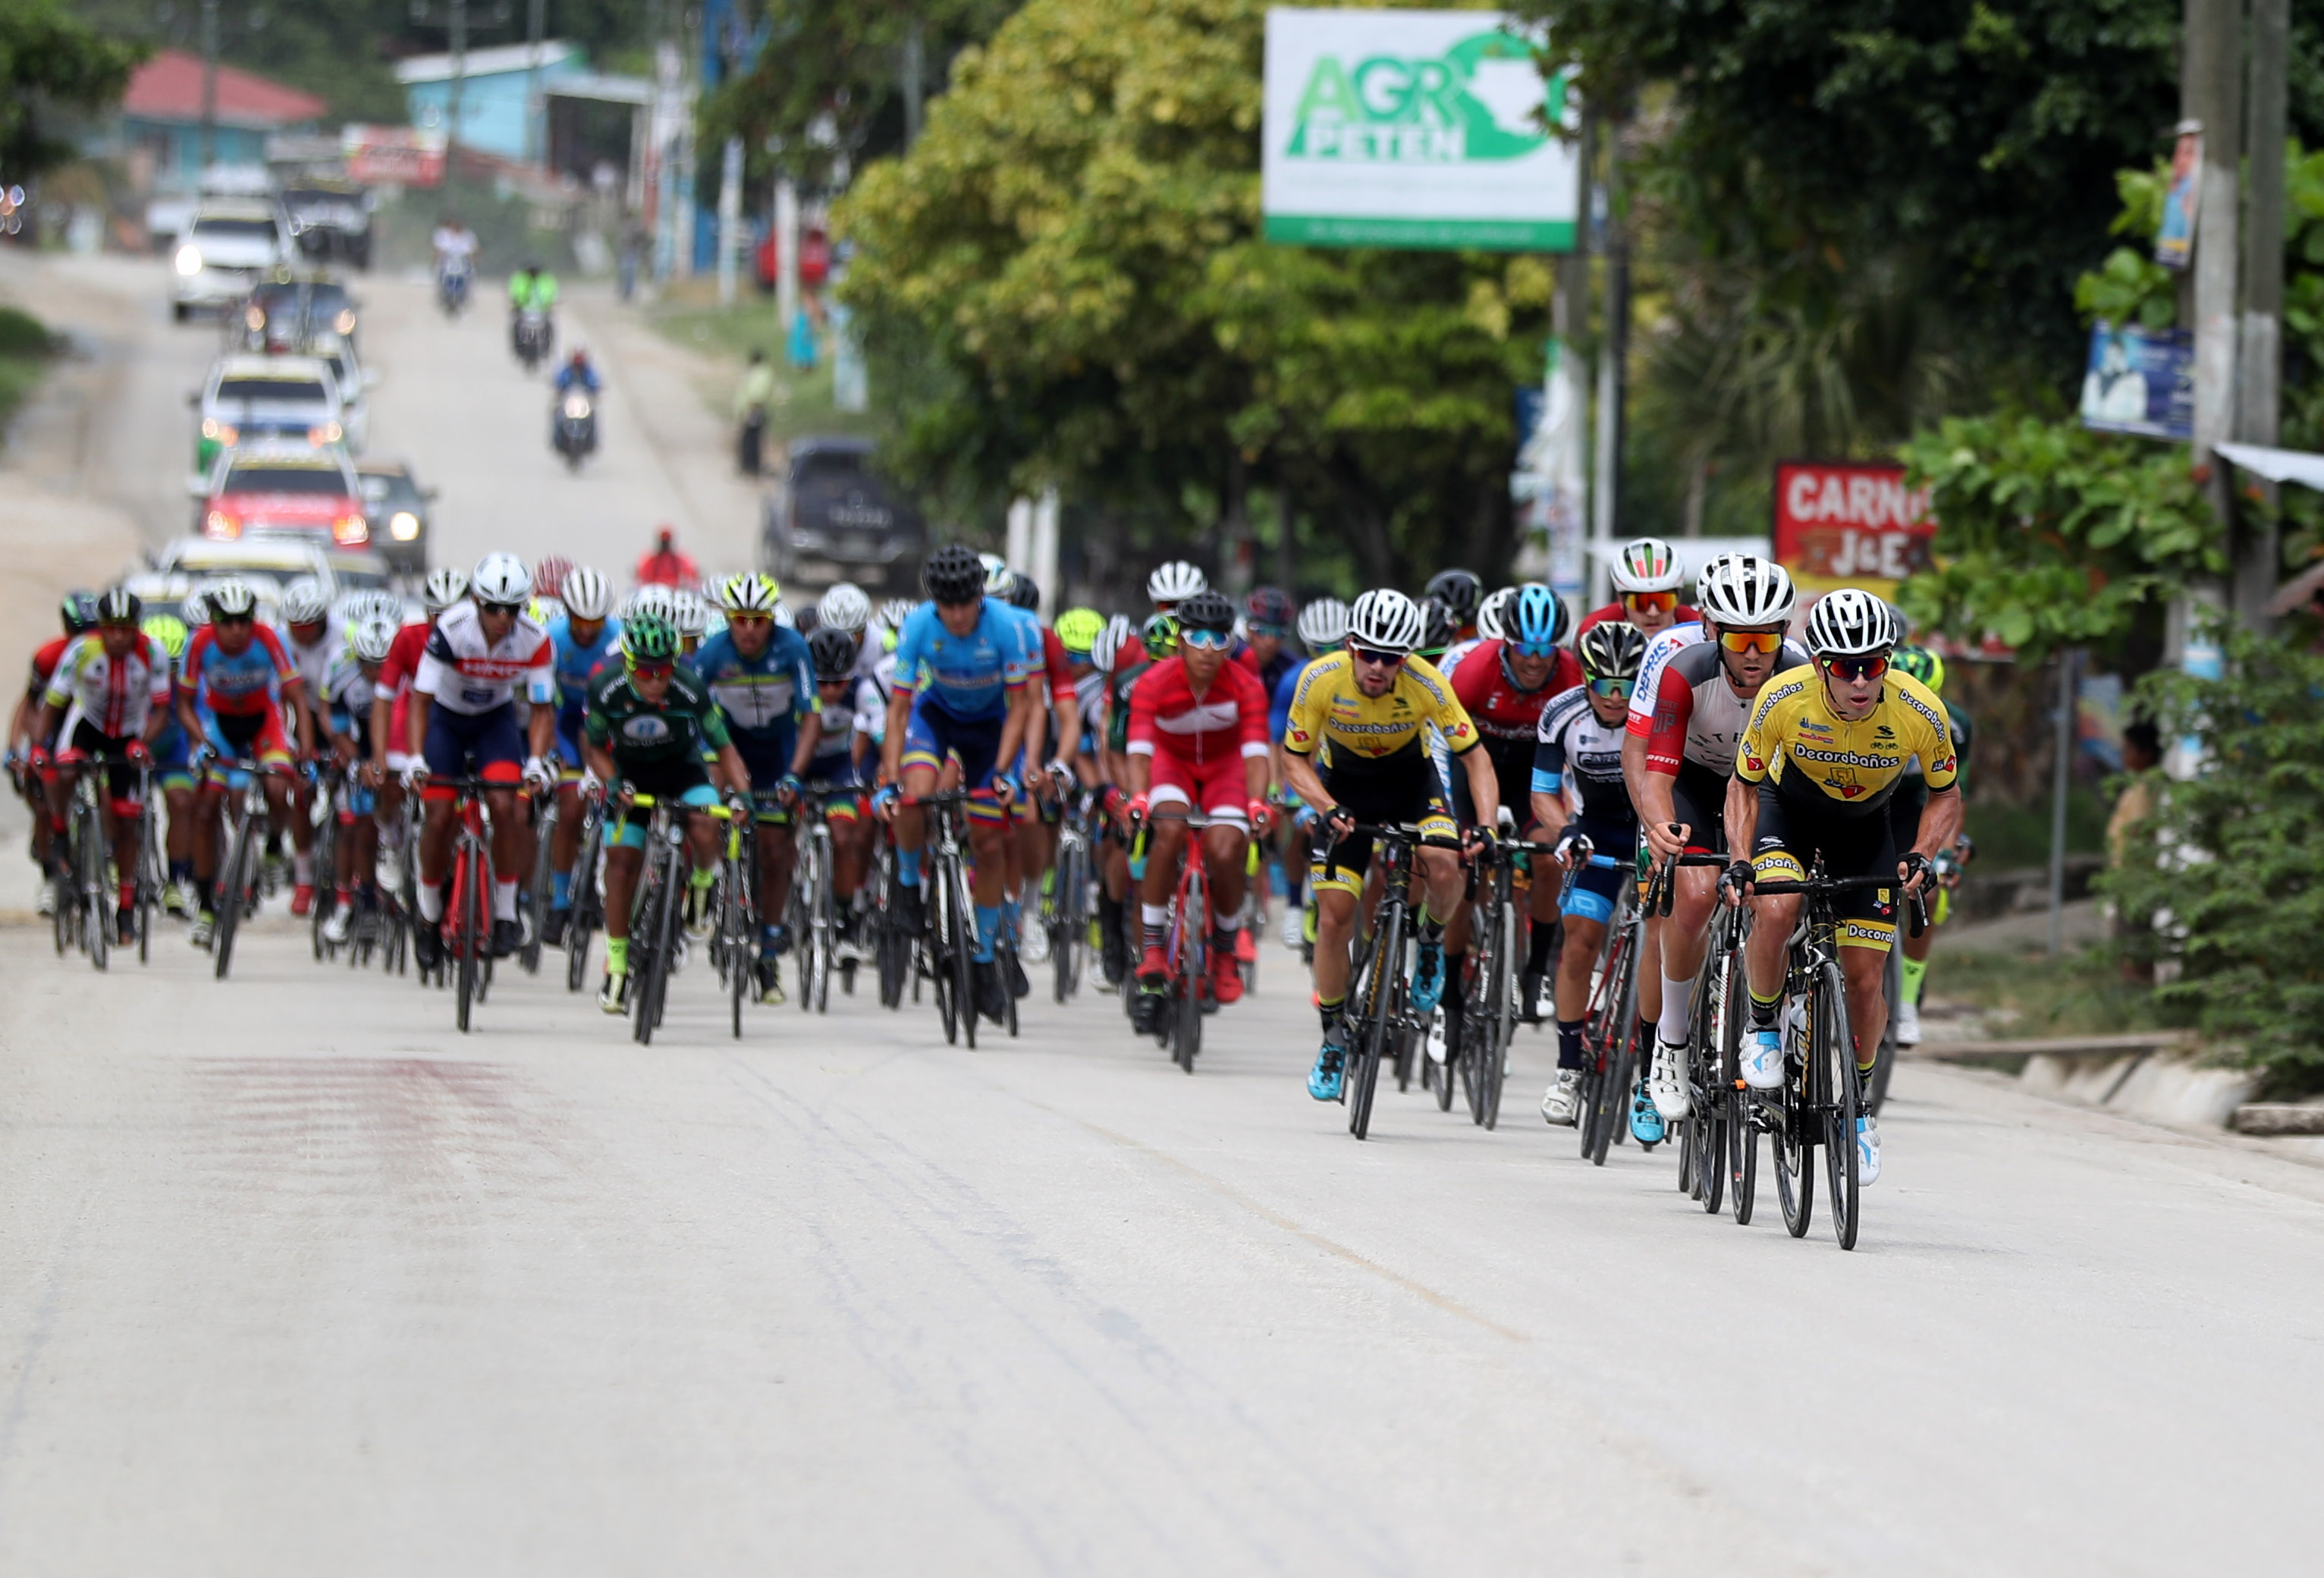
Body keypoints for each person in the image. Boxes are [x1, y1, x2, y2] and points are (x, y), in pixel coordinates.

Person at [1727, 589, 1960, 1188]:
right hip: (1788, 814)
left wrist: (1922, 853)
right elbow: (1744, 784)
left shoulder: (1919, 709)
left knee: (1864, 978)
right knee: (1777, 906)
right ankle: (1763, 1025)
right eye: (1846, 667)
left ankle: (1858, 1107)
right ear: (1819, 665)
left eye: (1873, 665)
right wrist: (1741, 859)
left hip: (1866, 829)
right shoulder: (1782, 697)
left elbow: (1945, 795)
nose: (1860, 681)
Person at [1280, 589, 1500, 1102]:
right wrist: (1324, 807)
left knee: (1445, 864)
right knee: (1334, 919)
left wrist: (1487, 826)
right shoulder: (1320, 679)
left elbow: (1476, 758)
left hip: (1410, 785)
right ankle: (1334, 1036)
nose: (1378, 666)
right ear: (1350, 647)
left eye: (1391, 658)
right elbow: (1293, 759)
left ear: (1406, 658)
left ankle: (1430, 943)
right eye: (1368, 654)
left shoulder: (1427, 682)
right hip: (1343, 790)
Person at [1626, 553, 1806, 1139]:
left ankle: (1782, 1016)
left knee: (1784, 893)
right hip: (1693, 782)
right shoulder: (1683, 671)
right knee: (1697, 895)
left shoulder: (1800, 677)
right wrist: (1658, 826)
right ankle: (1672, 1041)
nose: (1752, 653)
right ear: (1711, 630)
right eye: (1738, 637)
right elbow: (1656, 774)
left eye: (1766, 638)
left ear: (1784, 633)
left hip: (1766, 788)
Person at [874, 543, 1040, 1023]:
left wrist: (1005, 771)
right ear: (935, 603)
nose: (958, 615)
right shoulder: (918, 626)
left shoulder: (1007, 627)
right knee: (914, 796)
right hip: (938, 718)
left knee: (989, 844)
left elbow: (1022, 708)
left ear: (980, 598)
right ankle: (909, 885)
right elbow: (899, 710)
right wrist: (888, 779)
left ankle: (984, 959)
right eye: (947, 605)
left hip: (992, 730)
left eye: (966, 603)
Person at [583, 614, 752, 1014]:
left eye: (664, 671)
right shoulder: (606, 688)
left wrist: (744, 796)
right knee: (621, 862)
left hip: (682, 770)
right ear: (628, 665)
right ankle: (617, 964)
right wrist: (612, 783)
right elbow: (593, 747)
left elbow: (723, 747)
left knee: (707, 821)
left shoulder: (689, 688)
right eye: (645, 672)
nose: (656, 681)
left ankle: (702, 881)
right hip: (629, 776)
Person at [1122, 589, 1273, 1026]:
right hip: (1172, 764)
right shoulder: (1153, 682)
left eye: (1219, 639)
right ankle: (1153, 946)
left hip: (1226, 770)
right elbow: (1139, 752)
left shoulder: (1247, 686)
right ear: (1180, 641)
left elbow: (1256, 755)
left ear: (1230, 643)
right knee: (1168, 831)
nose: (1208, 650)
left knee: (1226, 849)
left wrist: (1257, 803)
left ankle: (1224, 949)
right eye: (1197, 638)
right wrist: (1139, 797)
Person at [405, 553, 557, 964]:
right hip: (447, 722)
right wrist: (416, 757)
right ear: (476, 601)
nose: (503, 618)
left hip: (495, 723)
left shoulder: (535, 639)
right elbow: (420, 700)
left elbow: (542, 709)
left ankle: (506, 913)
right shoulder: (451, 629)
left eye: (513, 609)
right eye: (493, 608)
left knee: (506, 807)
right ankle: (429, 912)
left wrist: (536, 761)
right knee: (438, 816)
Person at [1448, 583, 1584, 1026]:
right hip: (1473, 772)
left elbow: (1579, 751)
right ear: (1506, 643)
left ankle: (1537, 970)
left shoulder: (1570, 674)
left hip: (1532, 780)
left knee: (1549, 859)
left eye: (1547, 649)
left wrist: (1574, 817)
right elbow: (1442, 746)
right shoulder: (1474, 671)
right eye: (1525, 647)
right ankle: (1450, 991)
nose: (1536, 660)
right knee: (1465, 871)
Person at [1534, 621, 1648, 1124]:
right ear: (1586, 679)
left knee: (1671, 944)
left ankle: (1654, 1069)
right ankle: (1567, 1069)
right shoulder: (1562, 713)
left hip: (1651, 828)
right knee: (1580, 940)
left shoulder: (1661, 711)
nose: (1616, 697)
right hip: (1596, 831)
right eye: (1605, 685)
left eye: (1627, 685)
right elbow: (1543, 793)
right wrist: (1564, 833)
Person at [692, 571, 818, 1000]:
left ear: (771, 620)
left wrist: (795, 775)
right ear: (728, 618)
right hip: (729, 745)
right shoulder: (713, 653)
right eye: (740, 620)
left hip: (776, 752)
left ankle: (768, 948)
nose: (749, 630)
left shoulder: (793, 648)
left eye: (758, 620)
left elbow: (812, 718)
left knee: (775, 850)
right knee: (706, 805)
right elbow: (691, 714)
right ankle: (707, 878)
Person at [178, 579, 312, 948]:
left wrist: (305, 749)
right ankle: (206, 907)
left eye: (244, 621)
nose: (237, 630)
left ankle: (274, 845)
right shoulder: (199, 643)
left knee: (278, 785)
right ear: (214, 621)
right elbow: (184, 705)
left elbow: (297, 698)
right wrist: (202, 742)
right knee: (205, 810)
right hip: (220, 727)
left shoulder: (269, 638)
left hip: (263, 724)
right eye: (228, 622)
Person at [32, 589, 169, 945]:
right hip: (87, 727)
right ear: (101, 628)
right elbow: (52, 704)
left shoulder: (153, 653)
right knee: (62, 770)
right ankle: (61, 834)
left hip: (129, 733)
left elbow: (161, 710)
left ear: (137, 629)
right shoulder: (82, 650)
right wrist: (37, 747)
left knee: (127, 822)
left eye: (127, 629)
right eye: (111, 629)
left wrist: (144, 742)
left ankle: (126, 908)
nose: (119, 637)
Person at [1888, 643, 1977, 1038]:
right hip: (1868, 800)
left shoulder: (1956, 727)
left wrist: (1946, 853)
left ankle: (1907, 1002)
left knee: (1929, 888)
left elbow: (1955, 796)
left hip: (1917, 802)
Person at [370, 567, 467, 901]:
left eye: (453, 614)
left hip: (456, 721)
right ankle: (389, 840)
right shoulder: (409, 637)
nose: (444, 623)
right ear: (426, 613)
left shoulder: (478, 638)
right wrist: (380, 758)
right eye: (437, 614)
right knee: (392, 778)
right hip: (413, 714)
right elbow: (384, 698)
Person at [541, 566, 620, 945]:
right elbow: (542, 702)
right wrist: (548, 752)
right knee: (571, 807)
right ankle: (560, 901)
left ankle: (605, 882)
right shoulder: (552, 638)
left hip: (605, 724)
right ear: (566, 613)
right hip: (568, 721)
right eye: (579, 622)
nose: (587, 631)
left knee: (616, 804)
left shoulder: (619, 638)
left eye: (595, 623)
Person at [796, 624, 884, 952]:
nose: (831, 691)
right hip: (799, 764)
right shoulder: (794, 686)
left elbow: (880, 731)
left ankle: (845, 916)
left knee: (844, 838)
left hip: (838, 768)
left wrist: (887, 771)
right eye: (822, 683)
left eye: (839, 683)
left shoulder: (863, 690)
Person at [318, 615, 400, 946]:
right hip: (359, 740)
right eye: (369, 665)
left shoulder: (408, 674)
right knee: (359, 823)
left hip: (398, 739)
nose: (376, 673)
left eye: (383, 666)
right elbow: (336, 726)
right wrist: (357, 761)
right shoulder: (342, 671)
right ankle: (358, 900)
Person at [1578, 536, 1700, 639]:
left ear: (1678, 600)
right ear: (1621, 601)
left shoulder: (1699, 626)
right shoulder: (1594, 630)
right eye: (1641, 603)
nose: (1653, 613)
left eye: (1663, 601)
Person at [735, 349, 776, 476]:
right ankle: (749, 466)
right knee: (751, 439)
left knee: (751, 440)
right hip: (753, 410)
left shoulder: (761, 373)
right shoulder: (760, 373)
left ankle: (750, 466)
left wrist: (751, 411)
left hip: (754, 410)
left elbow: (757, 393)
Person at [635, 527, 699, 589]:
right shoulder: (652, 559)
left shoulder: (678, 559)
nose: (665, 545)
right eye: (663, 542)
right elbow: (641, 574)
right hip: (656, 590)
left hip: (674, 590)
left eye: (667, 542)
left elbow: (690, 572)